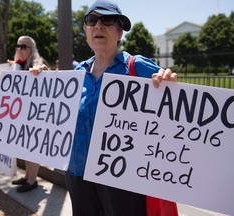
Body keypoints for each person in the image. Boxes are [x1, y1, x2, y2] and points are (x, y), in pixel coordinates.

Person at [30, 0, 176, 215]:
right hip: (77, 173)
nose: (98, 26)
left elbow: (173, 107)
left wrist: (169, 82)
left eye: (107, 20)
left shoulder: (138, 67)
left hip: (122, 178)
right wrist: (41, 80)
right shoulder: (76, 73)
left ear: (119, 33)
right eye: (92, 21)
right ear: (86, 31)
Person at [9, 35, 47, 193]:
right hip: (21, 114)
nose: (19, 49)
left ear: (31, 49)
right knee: (24, 146)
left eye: (23, 47)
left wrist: (42, 71)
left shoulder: (37, 64)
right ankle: (27, 176)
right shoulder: (17, 66)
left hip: (35, 115)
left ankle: (32, 180)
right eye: (17, 46)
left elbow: (46, 73)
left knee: (32, 148)